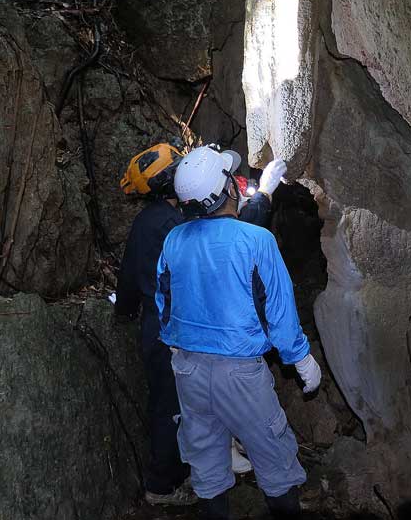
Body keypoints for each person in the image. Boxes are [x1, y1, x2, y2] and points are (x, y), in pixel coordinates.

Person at [115, 142, 286, 506]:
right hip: (179, 331)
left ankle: (207, 466)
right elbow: (229, 243)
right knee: (173, 408)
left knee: (179, 405)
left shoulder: (148, 220)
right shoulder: (178, 227)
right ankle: (163, 485)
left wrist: (123, 311)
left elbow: (128, 277)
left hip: (158, 325)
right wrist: (265, 196)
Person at [155, 146, 322, 519]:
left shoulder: (174, 240)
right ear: (228, 189)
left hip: (188, 370)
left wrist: (173, 344)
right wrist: (301, 357)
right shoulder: (256, 241)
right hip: (240, 374)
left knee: (207, 463)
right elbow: (279, 309)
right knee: (274, 458)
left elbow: (163, 301)